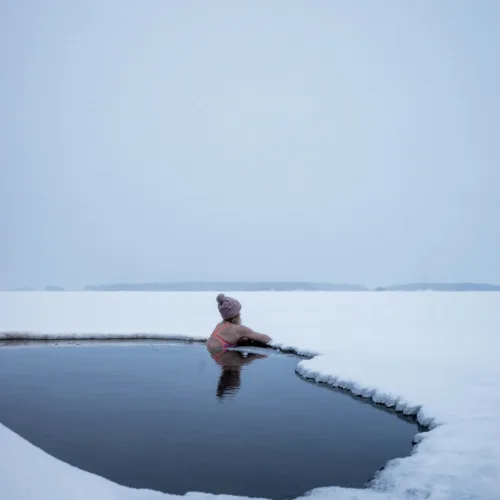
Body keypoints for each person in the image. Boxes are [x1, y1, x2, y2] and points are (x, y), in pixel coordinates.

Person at [206, 293, 272, 352]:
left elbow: (229, 337)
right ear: (236, 315)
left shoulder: (219, 325)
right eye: (238, 312)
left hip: (212, 353)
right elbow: (264, 338)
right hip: (222, 354)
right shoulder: (238, 329)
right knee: (251, 358)